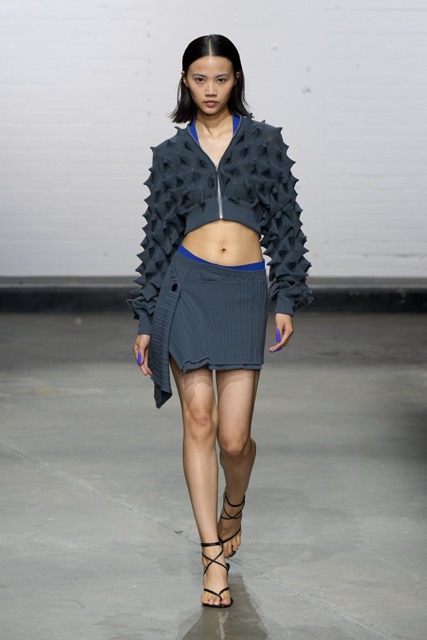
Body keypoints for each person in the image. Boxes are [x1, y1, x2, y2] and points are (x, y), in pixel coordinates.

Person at [128, 34, 312, 609]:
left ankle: (234, 504)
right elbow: (157, 238)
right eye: (200, 78)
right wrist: (145, 316)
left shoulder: (264, 143)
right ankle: (212, 557)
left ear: (236, 81)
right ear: (186, 81)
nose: (211, 89)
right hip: (186, 288)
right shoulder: (170, 153)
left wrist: (285, 297)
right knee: (200, 421)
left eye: (222, 78)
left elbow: (286, 226)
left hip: (242, 294)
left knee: (234, 439)